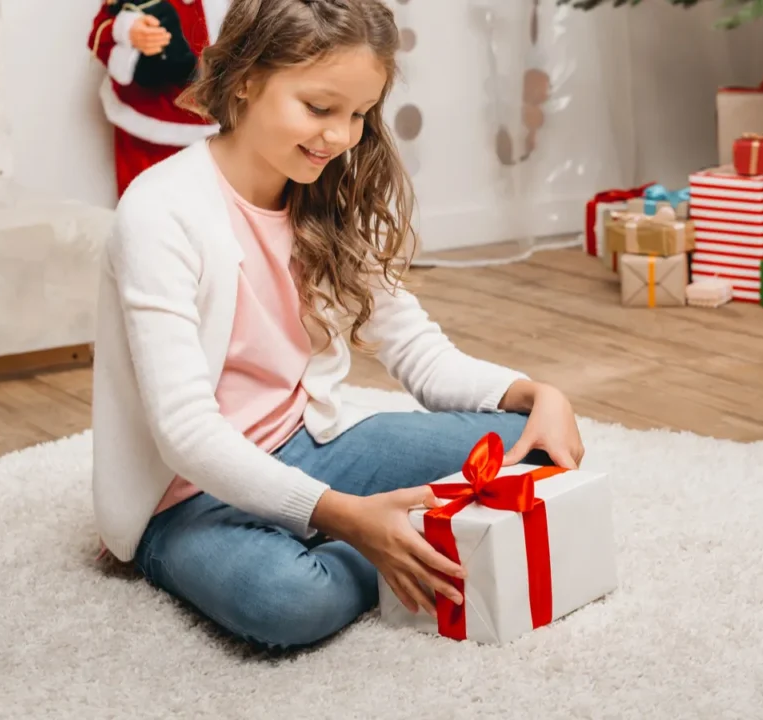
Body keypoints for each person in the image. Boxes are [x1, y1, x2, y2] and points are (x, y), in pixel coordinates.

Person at [91, 0, 585, 651]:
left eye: (357, 114)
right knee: (288, 601)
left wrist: (535, 393)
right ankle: (391, 540)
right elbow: (184, 432)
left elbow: (418, 352)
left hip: (305, 446)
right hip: (187, 495)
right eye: (320, 109)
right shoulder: (160, 210)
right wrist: (347, 518)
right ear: (245, 78)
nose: (340, 136)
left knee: (536, 449)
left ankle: (371, 526)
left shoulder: (324, 192)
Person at [88, 0, 221, 197]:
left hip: (221, 122)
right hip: (147, 127)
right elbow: (101, 34)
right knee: (144, 208)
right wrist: (129, 31)